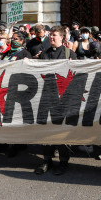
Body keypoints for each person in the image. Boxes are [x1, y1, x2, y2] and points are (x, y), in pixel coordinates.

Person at [35, 26, 77, 176]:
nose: (51, 38)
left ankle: (64, 161)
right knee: (46, 131)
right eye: (50, 35)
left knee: (62, 131)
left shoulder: (69, 53)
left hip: (63, 99)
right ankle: (47, 160)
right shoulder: (44, 54)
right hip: (47, 97)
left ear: (62, 38)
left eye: (54, 36)